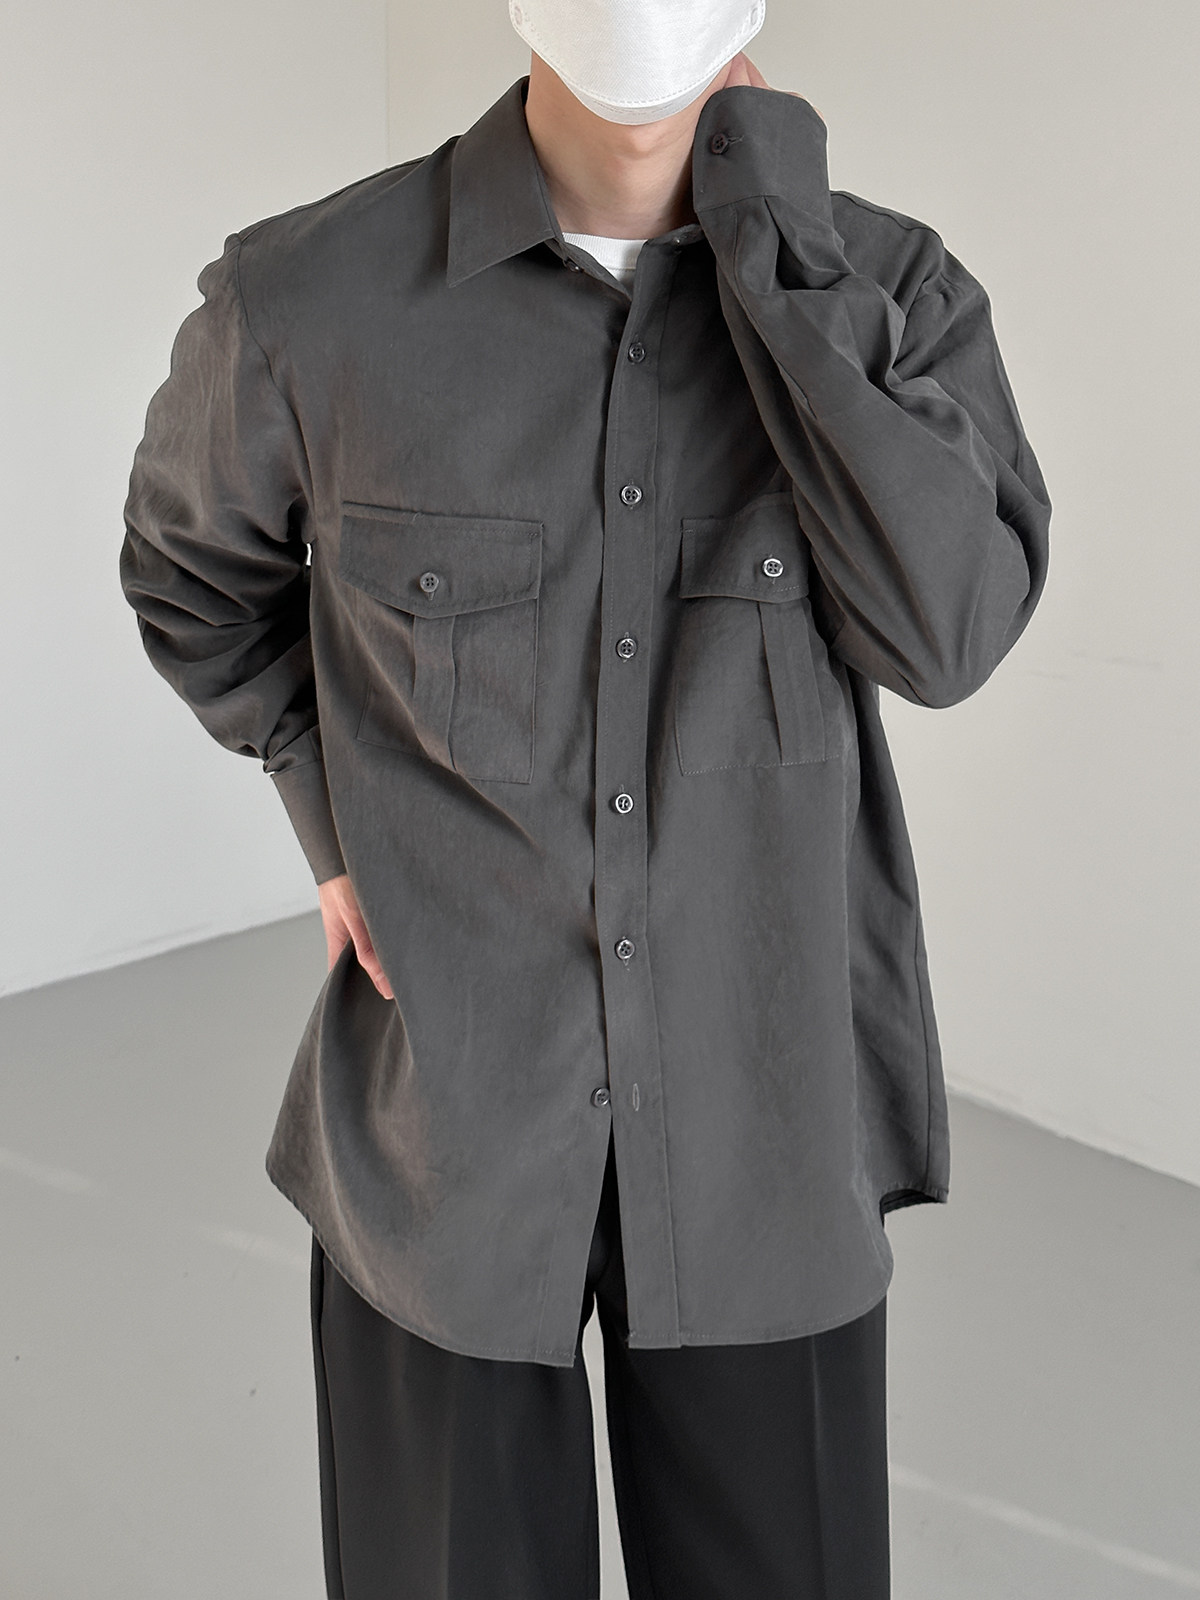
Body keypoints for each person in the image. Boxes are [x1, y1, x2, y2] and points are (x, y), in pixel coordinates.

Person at [119, 0, 1052, 1593]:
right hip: (450, 1152)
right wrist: (328, 818)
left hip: (767, 1137)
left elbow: (947, 630)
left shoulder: (887, 293)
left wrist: (778, 247)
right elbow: (191, 582)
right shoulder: (306, 302)